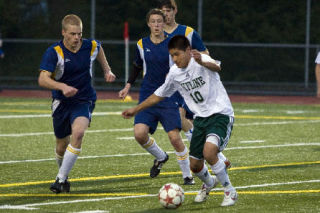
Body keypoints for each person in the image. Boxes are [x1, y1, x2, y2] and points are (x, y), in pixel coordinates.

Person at [122, 35, 238, 207]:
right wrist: (136, 109)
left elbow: (217, 67)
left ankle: (230, 191)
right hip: (200, 119)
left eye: (177, 54)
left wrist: (203, 62)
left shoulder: (200, 58)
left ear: (188, 51)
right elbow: (158, 95)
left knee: (209, 152)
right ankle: (209, 183)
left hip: (220, 114)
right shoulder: (175, 74)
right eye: (172, 56)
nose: (174, 59)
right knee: (195, 166)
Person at [38, 14, 116, 193]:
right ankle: (63, 176)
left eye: (79, 34)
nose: (76, 38)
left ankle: (60, 179)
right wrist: (61, 86)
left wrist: (107, 70)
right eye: (72, 34)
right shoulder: (54, 52)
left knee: (79, 133)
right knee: (61, 146)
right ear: (63, 32)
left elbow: (99, 48)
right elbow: (42, 79)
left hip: (84, 99)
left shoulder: (89, 45)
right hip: (61, 102)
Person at [118, 9, 195, 185]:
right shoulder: (140, 44)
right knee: (139, 134)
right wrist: (128, 86)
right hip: (148, 94)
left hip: (169, 94)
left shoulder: (171, 44)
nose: (156, 25)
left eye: (159, 21)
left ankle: (187, 175)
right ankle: (161, 157)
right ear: (148, 24)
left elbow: (183, 67)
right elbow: (137, 66)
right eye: (153, 22)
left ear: (164, 23)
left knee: (175, 137)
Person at [157, 0, 231, 168]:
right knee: (184, 121)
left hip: (188, 82)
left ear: (175, 11)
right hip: (171, 82)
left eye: (168, 10)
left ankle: (211, 158)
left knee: (182, 117)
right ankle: (212, 158)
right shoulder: (157, 34)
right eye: (162, 11)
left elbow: (204, 53)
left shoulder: (188, 32)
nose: (165, 14)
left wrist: (197, 60)